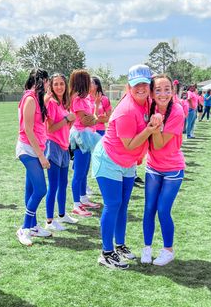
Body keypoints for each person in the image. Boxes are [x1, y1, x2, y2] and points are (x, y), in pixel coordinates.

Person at [91, 64, 161, 269]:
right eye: (135, 84)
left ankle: (119, 245)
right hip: (109, 160)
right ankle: (106, 253)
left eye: (144, 84)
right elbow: (129, 143)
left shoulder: (148, 101)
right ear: (129, 87)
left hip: (127, 162)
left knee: (123, 205)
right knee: (113, 204)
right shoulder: (126, 110)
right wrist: (150, 130)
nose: (140, 88)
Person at [141, 75, 185, 266]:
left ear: (172, 91)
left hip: (173, 169)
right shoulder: (148, 106)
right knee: (149, 209)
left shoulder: (177, 111)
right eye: (158, 89)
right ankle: (147, 248)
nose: (163, 93)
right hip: (153, 167)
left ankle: (168, 250)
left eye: (167, 89)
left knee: (163, 210)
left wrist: (156, 126)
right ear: (151, 92)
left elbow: (158, 145)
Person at [15, 69, 52, 246]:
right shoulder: (29, 99)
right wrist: (41, 157)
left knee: (31, 189)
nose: (48, 85)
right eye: (47, 81)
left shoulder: (37, 98)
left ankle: (34, 225)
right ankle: (24, 228)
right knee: (40, 190)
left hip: (35, 148)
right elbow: (28, 130)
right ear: (41, 81)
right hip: (28, 150)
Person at [43, 73, 78, 233]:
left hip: (64, 147)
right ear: (51, 86)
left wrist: (69, 122)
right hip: (53, 147)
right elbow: (49, 128)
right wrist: (66, 120)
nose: (59, 87)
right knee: (54, 185)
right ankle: (49, 221)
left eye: (62, 84)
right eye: (56, 84)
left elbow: (65, 128)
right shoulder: (51, 102)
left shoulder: (63, 104)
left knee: (63, 184)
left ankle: (62, 214)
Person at [69, 69, 102, 216]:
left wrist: (93, 117)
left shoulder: (87, 98)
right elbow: (85, 120)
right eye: (88, 80)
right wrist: (95, 118)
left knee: (84, 171)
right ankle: (76, 204)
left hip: (88, 135)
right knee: (79, 172)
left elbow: (91, 117)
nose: (91, 83)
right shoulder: (77, 100)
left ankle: (83, 198)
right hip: (81, 137)